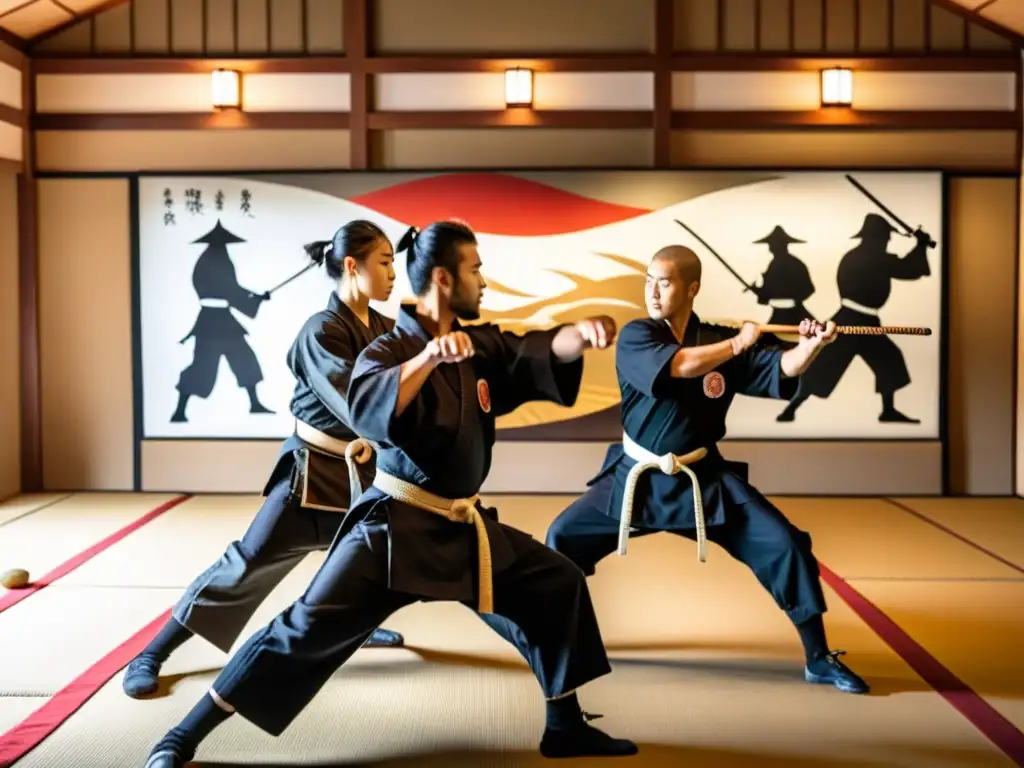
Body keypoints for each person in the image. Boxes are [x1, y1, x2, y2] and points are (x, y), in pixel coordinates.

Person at [142, 220, 638, 768]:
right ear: (445, 279)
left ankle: (564, 724)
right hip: (392, 530)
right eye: (476, 270)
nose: (485, 281)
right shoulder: (386, 347)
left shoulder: (476, 344)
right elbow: (370, 410)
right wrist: (427, 360)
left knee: (556, 581)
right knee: (301, 628)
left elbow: (528, 351)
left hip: (460, 527)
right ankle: (182, 735)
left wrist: (578, 336)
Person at [542, 244, 869, 696]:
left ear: (692, 288)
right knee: (560, 540)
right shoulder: (641, 336)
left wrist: (810, 345)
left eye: (665, 281)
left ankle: (817, 655)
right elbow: (680, 366)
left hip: (703, 478)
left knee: (785, 544)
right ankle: (561, 643)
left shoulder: (718, 338)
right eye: (648, 280)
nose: (653, 291)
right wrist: (738, 344)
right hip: (636, 478)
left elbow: (780, 367)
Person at [124, 220, 406, 700]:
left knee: (364, 563)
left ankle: (349, 626)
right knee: (247, 563)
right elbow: (361, 403)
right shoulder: (320, 330)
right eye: (385, 263)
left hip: (362, 471)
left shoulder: (382, 326)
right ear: (353, 267)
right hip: (313, 471)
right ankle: (153, 651)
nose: (394, 274)